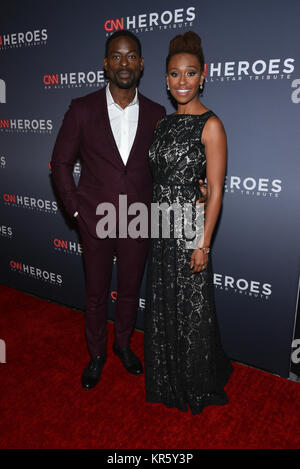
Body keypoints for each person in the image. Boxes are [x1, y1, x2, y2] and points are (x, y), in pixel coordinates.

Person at [50, 31, 166, 390]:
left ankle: (123, 346)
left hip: (137, 220)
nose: (124, 63)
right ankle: (97, 353)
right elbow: (60, 164)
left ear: (142, 64)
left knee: (130, 290)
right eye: (116, 57)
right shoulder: (83, 109)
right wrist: (75, 212)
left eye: (131, 57)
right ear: (105, 64)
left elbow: (162, 169)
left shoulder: (156, 113)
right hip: (95, 219)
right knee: (96, 292)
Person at [144, 31, 233, 414]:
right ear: (166, 79)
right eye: (175, 74)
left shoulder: (211, 125)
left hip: (189, 229)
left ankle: (196, 382)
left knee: (192, 308)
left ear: (203, 75)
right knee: (165, 304)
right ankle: (166, 378)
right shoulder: (162, 125)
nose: (182, 81)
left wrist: (203, 243)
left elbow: (214, 190)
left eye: (190, 73)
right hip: (160, 225)